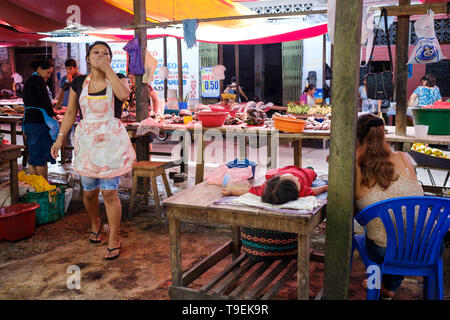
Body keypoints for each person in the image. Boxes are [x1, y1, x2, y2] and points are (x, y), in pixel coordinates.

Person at [51, 41, 134, 260]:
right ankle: (95, 222)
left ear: (110, 58)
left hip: (110, 143)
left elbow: (124, 95)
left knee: (109, 191)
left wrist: (108, 70)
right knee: (88, 192)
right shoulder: (79, 82)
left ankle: (114, 237)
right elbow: (70, 113)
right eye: (95, 52)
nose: (100, 55)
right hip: (88, 141)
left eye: (105, 53)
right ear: (87, 58)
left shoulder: (118, 78)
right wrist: (59, 139)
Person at [355, 113, 424, 299]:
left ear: (356, 138)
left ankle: (379, 286)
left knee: (381, 236)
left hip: (385, 251)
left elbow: (351, 208)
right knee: (401, 228)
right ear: (383, 134)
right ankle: (390, 287)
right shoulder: (404, 158)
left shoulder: (356, 166)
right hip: (427, 247)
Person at [22, 59, 57, 180]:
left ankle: (35, 185)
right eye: (48, 72)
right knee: (41, 155)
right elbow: (45, 100)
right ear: (40, 69)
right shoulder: (38, 80)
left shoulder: (29, 80)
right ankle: (43, 187)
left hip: (29, 121)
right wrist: (53, 115)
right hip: (38, 122)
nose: (48, 75)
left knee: (33, 154)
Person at [221, 165, 328, 202]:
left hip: (282, 170)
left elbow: (249, 190)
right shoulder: (302, 192)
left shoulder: (266, 188)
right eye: (296, 181)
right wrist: (323, 188)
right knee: (312, 173)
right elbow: (314, 191)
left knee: (270, 173)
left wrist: (232, 190)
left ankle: (277, 174)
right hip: (304, 173)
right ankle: (309, 168)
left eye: (293, 178)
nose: (295, 177)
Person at [57, 59, 81, 163]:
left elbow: (80, 91)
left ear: (75, 68)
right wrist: (58, 105)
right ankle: (67, 156)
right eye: (67, 69)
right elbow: (62, 92)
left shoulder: (80, 78)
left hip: (78, 109)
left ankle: (80, 156)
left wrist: (71, 80)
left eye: (71, 68)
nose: (68, 71)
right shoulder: (64, 78)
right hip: (65, 109)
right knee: (66, 133)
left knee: (78, 133)